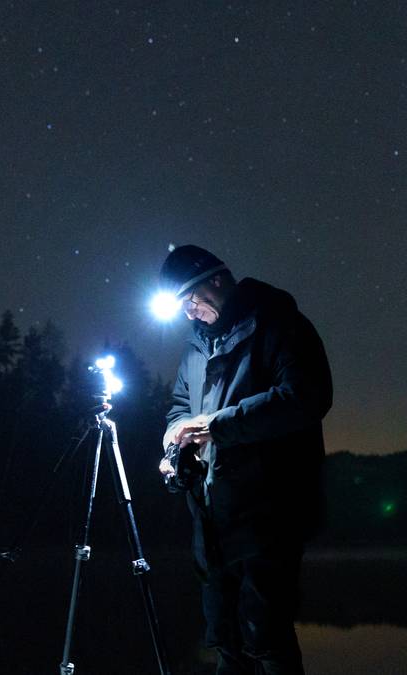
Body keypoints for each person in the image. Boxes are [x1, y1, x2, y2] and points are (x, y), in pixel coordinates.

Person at [157, 245, 332, 675]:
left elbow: (306, 397)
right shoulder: (196, 347)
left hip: (268, 512)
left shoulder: (279, 324)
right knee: (225, 639)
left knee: (266, 638)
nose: (189, 313)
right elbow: (180, 407)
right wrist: (174, 443)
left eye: (191, 301)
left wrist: (218, 424)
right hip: (212, 516)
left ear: (216, 281)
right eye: (182, 308)